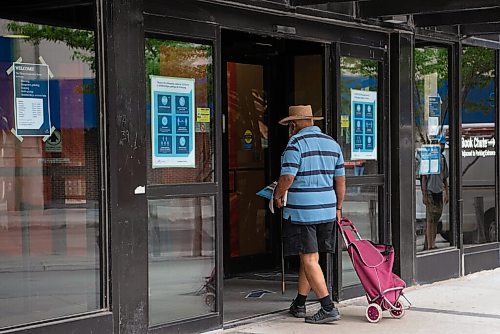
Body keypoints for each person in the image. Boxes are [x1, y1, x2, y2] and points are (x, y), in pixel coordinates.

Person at [273, 105, 346, 324]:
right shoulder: (332, 144)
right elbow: (340, 181)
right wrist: (338, 208)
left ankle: (327, 307)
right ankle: (300, 303)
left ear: (293, 124)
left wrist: (277, 195)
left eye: (289, 125)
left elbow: (287, 178)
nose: (289, 129)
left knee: (309, 257)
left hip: (303, 211)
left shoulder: (295, 145)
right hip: (327, 209)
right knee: (312, 256)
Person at [421, 135, 449, 250]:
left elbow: (444, 177)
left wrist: (447, 192)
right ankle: (429, 245)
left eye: (443, 144)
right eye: (440, 144)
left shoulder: (442, 159)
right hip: (430, 190)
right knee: (430, 219)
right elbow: (423, 178)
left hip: (439, 190)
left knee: (436, 217)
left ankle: (432, 242)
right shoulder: (429, 157)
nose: (441, 146)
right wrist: (424, 194)